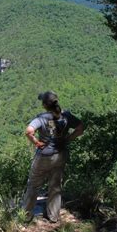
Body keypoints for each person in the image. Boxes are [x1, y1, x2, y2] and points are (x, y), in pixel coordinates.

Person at [22, 91, 84, 223]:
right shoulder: (66, 116)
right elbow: (80, 128)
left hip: (44, 156)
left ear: (44, 105)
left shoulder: (41, 118)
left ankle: (26, 216)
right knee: (55, 185)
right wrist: (68, 139)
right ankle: (53, 216)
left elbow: (29, 131)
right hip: (60, 154)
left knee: (33, 185)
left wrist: (37, 143)